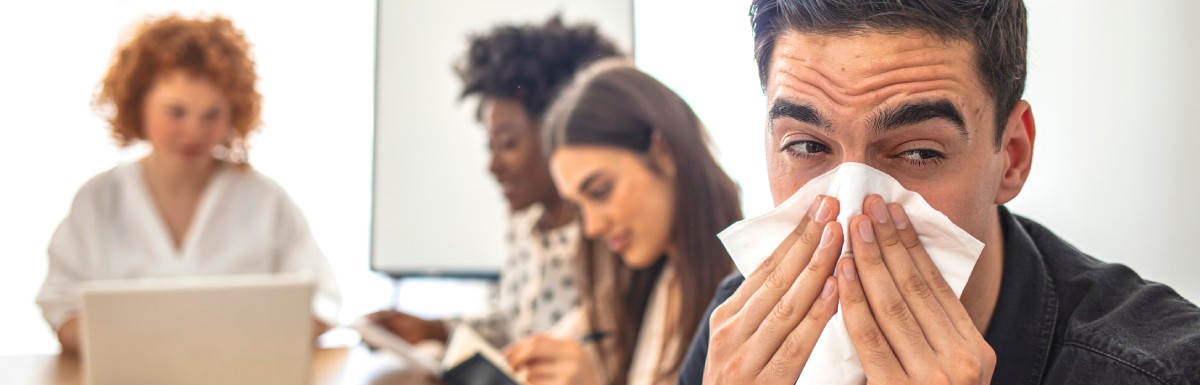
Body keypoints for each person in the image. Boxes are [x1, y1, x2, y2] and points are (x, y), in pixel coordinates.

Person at [679, 1, 1200, 384]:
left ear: (1012, 157)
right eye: (807, 145)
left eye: (919, 153)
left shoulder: (1159, 371)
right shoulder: (736, 334)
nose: (854, 210)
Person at [36, 15, 340, 355]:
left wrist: (236, 342)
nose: (194, 132)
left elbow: (322, 303)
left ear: (234, 112)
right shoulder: (98, 199)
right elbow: (59, 305)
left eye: (212, 115)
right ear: (139, 104)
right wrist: (137, 347)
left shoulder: (265, 200)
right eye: (176, 112)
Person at [369, 16, 622, 348]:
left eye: (508, 143)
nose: (492, 165)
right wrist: (434, 330)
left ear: (560, 131)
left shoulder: (607, 233)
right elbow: (512, 324)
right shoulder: (523, 222)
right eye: (490, 145)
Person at [500, 59, 743, 385]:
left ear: (663, 153)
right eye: (578, 206)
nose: (592, 227)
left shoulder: (742, 297)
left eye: (600, 192)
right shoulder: (636, 285)